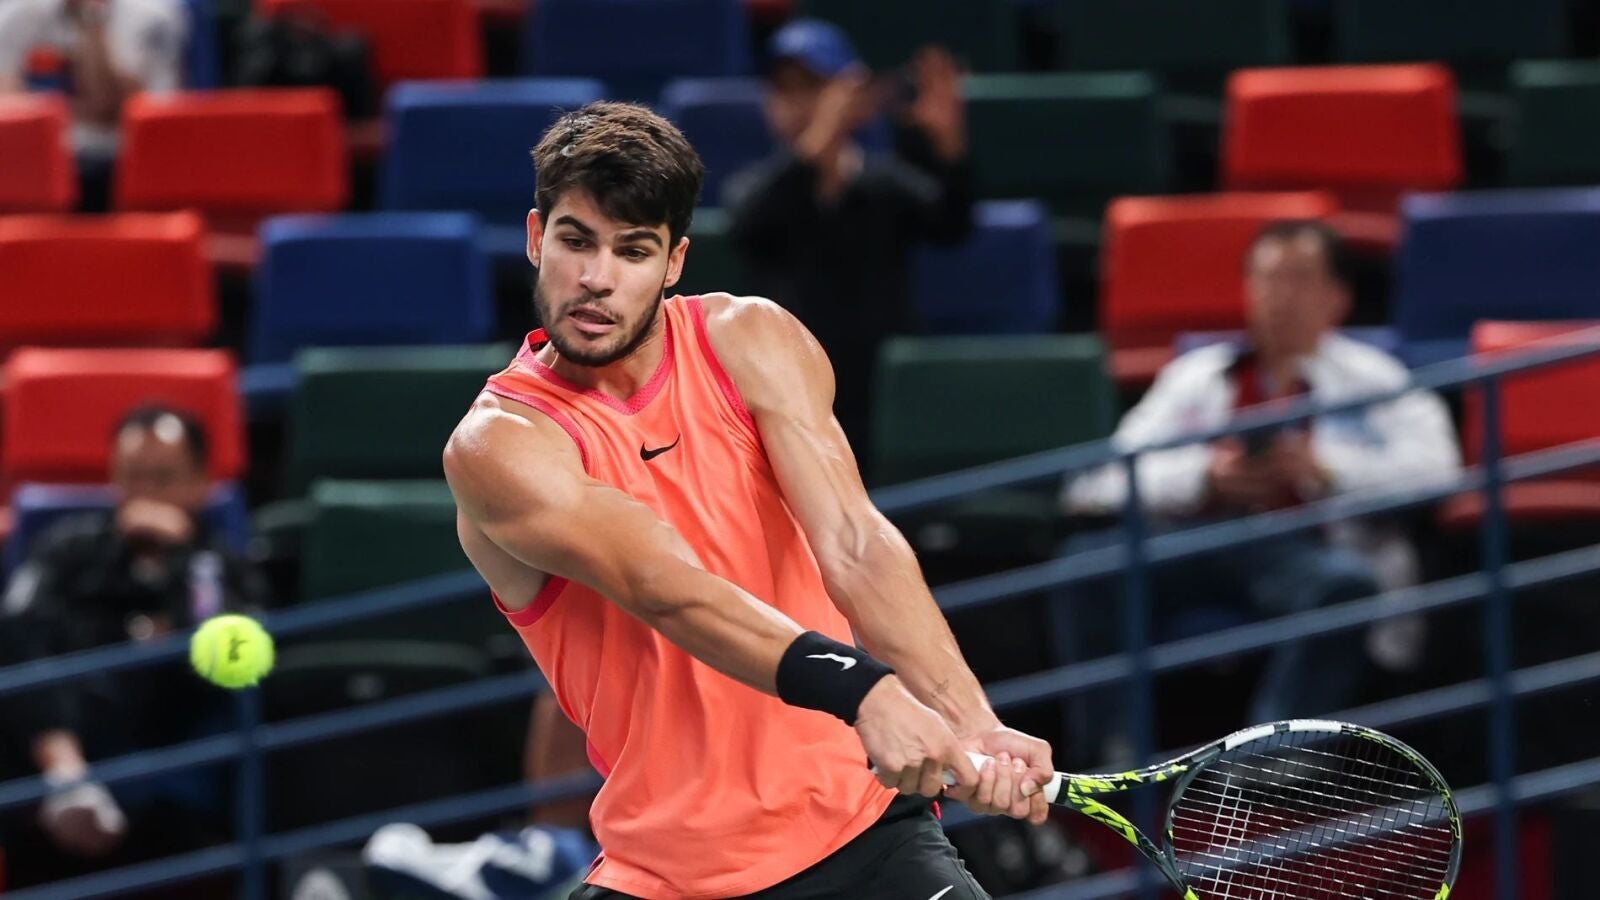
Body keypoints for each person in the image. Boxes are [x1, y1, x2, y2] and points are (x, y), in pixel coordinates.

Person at [444, 101, 1052, 900]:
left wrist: (970, 719)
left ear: (674, 262)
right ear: (535, 238)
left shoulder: (751, 342)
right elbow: (666, 586)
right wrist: (864, 689)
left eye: (633, 249)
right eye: (576, 241)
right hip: (669, 878)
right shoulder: (500, 445)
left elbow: (855, 543)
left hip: (866, 838)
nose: (597, 279)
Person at [1057, 220, 1463, 767]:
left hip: (1307, 549)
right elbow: (1098, 481)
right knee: (1086, 566)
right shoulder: (1196, 375)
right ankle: (1111, 757)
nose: (1280, 295)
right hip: (1199, 539)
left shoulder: (1376, 380)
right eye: (1267, 278)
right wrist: (1203, 476)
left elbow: (1438, 472)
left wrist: (1326, 470)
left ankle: (1270, 762)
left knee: (1344, 584)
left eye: (1299, 279)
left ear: (1337, 298)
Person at [0, 405, 269, 888]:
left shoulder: (218, 564)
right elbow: (17, 630)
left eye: (163, 478)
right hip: (69, 748)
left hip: (172, 759)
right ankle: (67, 778)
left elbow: (231, 660)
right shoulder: (68, 549)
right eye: (132, 476)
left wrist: (184, 559)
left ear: (201, 483)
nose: (145, 494)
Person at [723, 19, 973, 466]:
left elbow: (951, 227)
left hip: (879, 398)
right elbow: (748, 228)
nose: (799, 103)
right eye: (783, 89)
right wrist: (819, 140)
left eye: (814, 87)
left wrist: (949, 145)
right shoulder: (757, 190)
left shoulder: (885, 183)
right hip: (786, 398)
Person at [0, 0, 187, 207]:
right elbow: (12, 112)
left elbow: (122, 108)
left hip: (119, 161)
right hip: (39, 164)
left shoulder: (153, 17)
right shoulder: (17, 16)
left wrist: (92, 21)